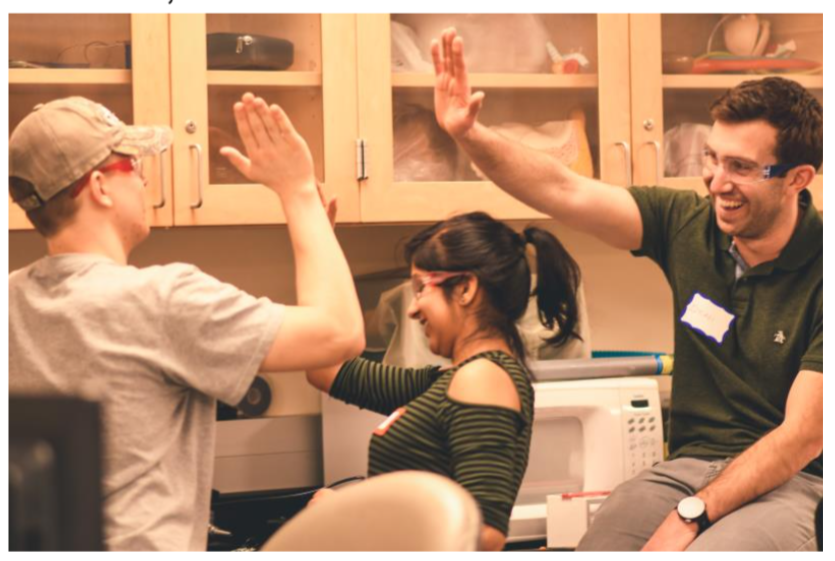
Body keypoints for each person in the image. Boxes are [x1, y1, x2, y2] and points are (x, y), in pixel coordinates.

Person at [430, 28, 822, 551]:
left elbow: (803, 437)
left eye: (741, 167)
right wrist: (469, 136)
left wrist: (693, 516)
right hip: (686, 468)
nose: (715, 182)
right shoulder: (687, 224)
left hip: (792, 483)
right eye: (712, 157)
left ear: (798, 179)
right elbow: (562, 188)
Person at [8, 94, 365, 550]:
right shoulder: (163, 299)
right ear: (99, 186)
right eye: (133, 166)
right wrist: (298, 193)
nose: (144, 178)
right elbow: (340, 334)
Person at [306, 211, 583, 551]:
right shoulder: (448, 382)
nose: (412, 308)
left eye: (421, 288)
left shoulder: (483, 379)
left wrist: (347, 518)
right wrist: (317, 235)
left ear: (465, 288)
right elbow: (322, 366)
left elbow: (482, 535)